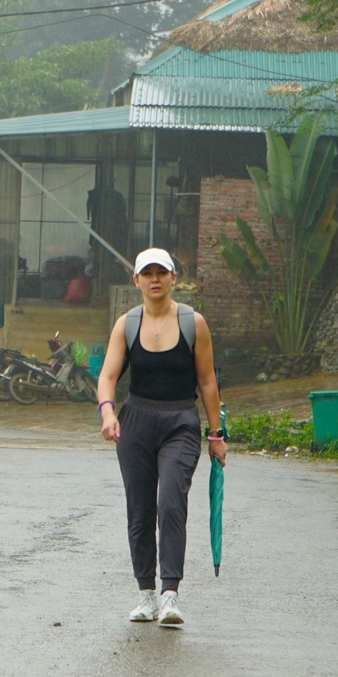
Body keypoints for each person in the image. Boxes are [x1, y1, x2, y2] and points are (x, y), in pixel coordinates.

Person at [95, 247, 227, 626]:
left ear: (173, 278)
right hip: (136, 421)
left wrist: (216, 434)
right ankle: (146, 595)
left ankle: (171, 594)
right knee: (139, 510)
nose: (154, 279)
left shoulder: (193, 323)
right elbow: (107, 376)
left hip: (180, 423)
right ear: (136, 280)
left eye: (161, 272)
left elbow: (207, 380)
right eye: (147, 273)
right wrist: (107, 412)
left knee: (171, 501)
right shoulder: (127, 324)